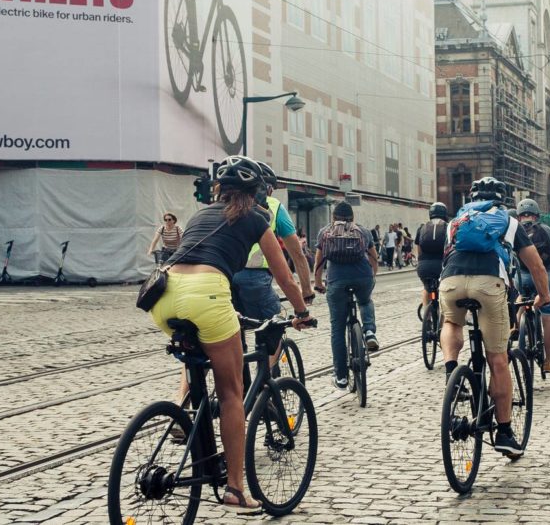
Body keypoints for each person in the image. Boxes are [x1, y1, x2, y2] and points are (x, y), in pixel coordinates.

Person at [148, 156, 311, 513]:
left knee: (200, 359)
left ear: (219, 190)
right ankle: (236, 489)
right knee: (232, 392)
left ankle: (188, 414)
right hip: (207, 295)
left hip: (164, 296)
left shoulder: (200, 214)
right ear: (258, 193)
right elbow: (283, 276)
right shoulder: (257, 217)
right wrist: (301, 312)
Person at [439, 177, 550, 458]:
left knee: (452, 322)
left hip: (451, 280)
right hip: (489, 283)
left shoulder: (458, 219)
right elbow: (535, 264)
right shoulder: (508, 221)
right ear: (502, 199)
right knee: (498, 359)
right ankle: (504, 433)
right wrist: (544, 295)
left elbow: (445, 255)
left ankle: (451, 369)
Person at [232, 162, 315, 371]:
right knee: (273, 330)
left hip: (221, 278)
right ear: (266, 187)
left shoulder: (226, 204)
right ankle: (264, 387)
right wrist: (306, 289)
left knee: (227, 336)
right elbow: (297, 253)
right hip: (254, 278)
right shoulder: (273, 206)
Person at [314, 202, 380, 388]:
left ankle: (341, 377)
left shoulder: (325, 232)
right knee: (365, 301)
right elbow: (374, 257)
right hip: (362, 277)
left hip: (336, 281)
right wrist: (372, 275)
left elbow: (319, 261)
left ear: (333, 217)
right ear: (352, 218)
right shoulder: (363, 231)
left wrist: (318, 282)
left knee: (337, 328)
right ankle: (368, 332)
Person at [515, 198, 550, 374]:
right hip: (546, 276)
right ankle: (548, 361)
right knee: (548, 316)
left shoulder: (515, 230)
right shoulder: (547, 230)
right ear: (537, 215)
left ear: (519, 216)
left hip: (523, 277)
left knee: (521, 297)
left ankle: (516, 325)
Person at [415, 202, 448, 311]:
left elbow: (419, 251)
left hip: (424, 267)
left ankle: (426, 316)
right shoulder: (448, 227)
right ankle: (443, 322)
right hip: (442, 266)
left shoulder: (422, 228)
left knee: (426, 289)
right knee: (445, 293)